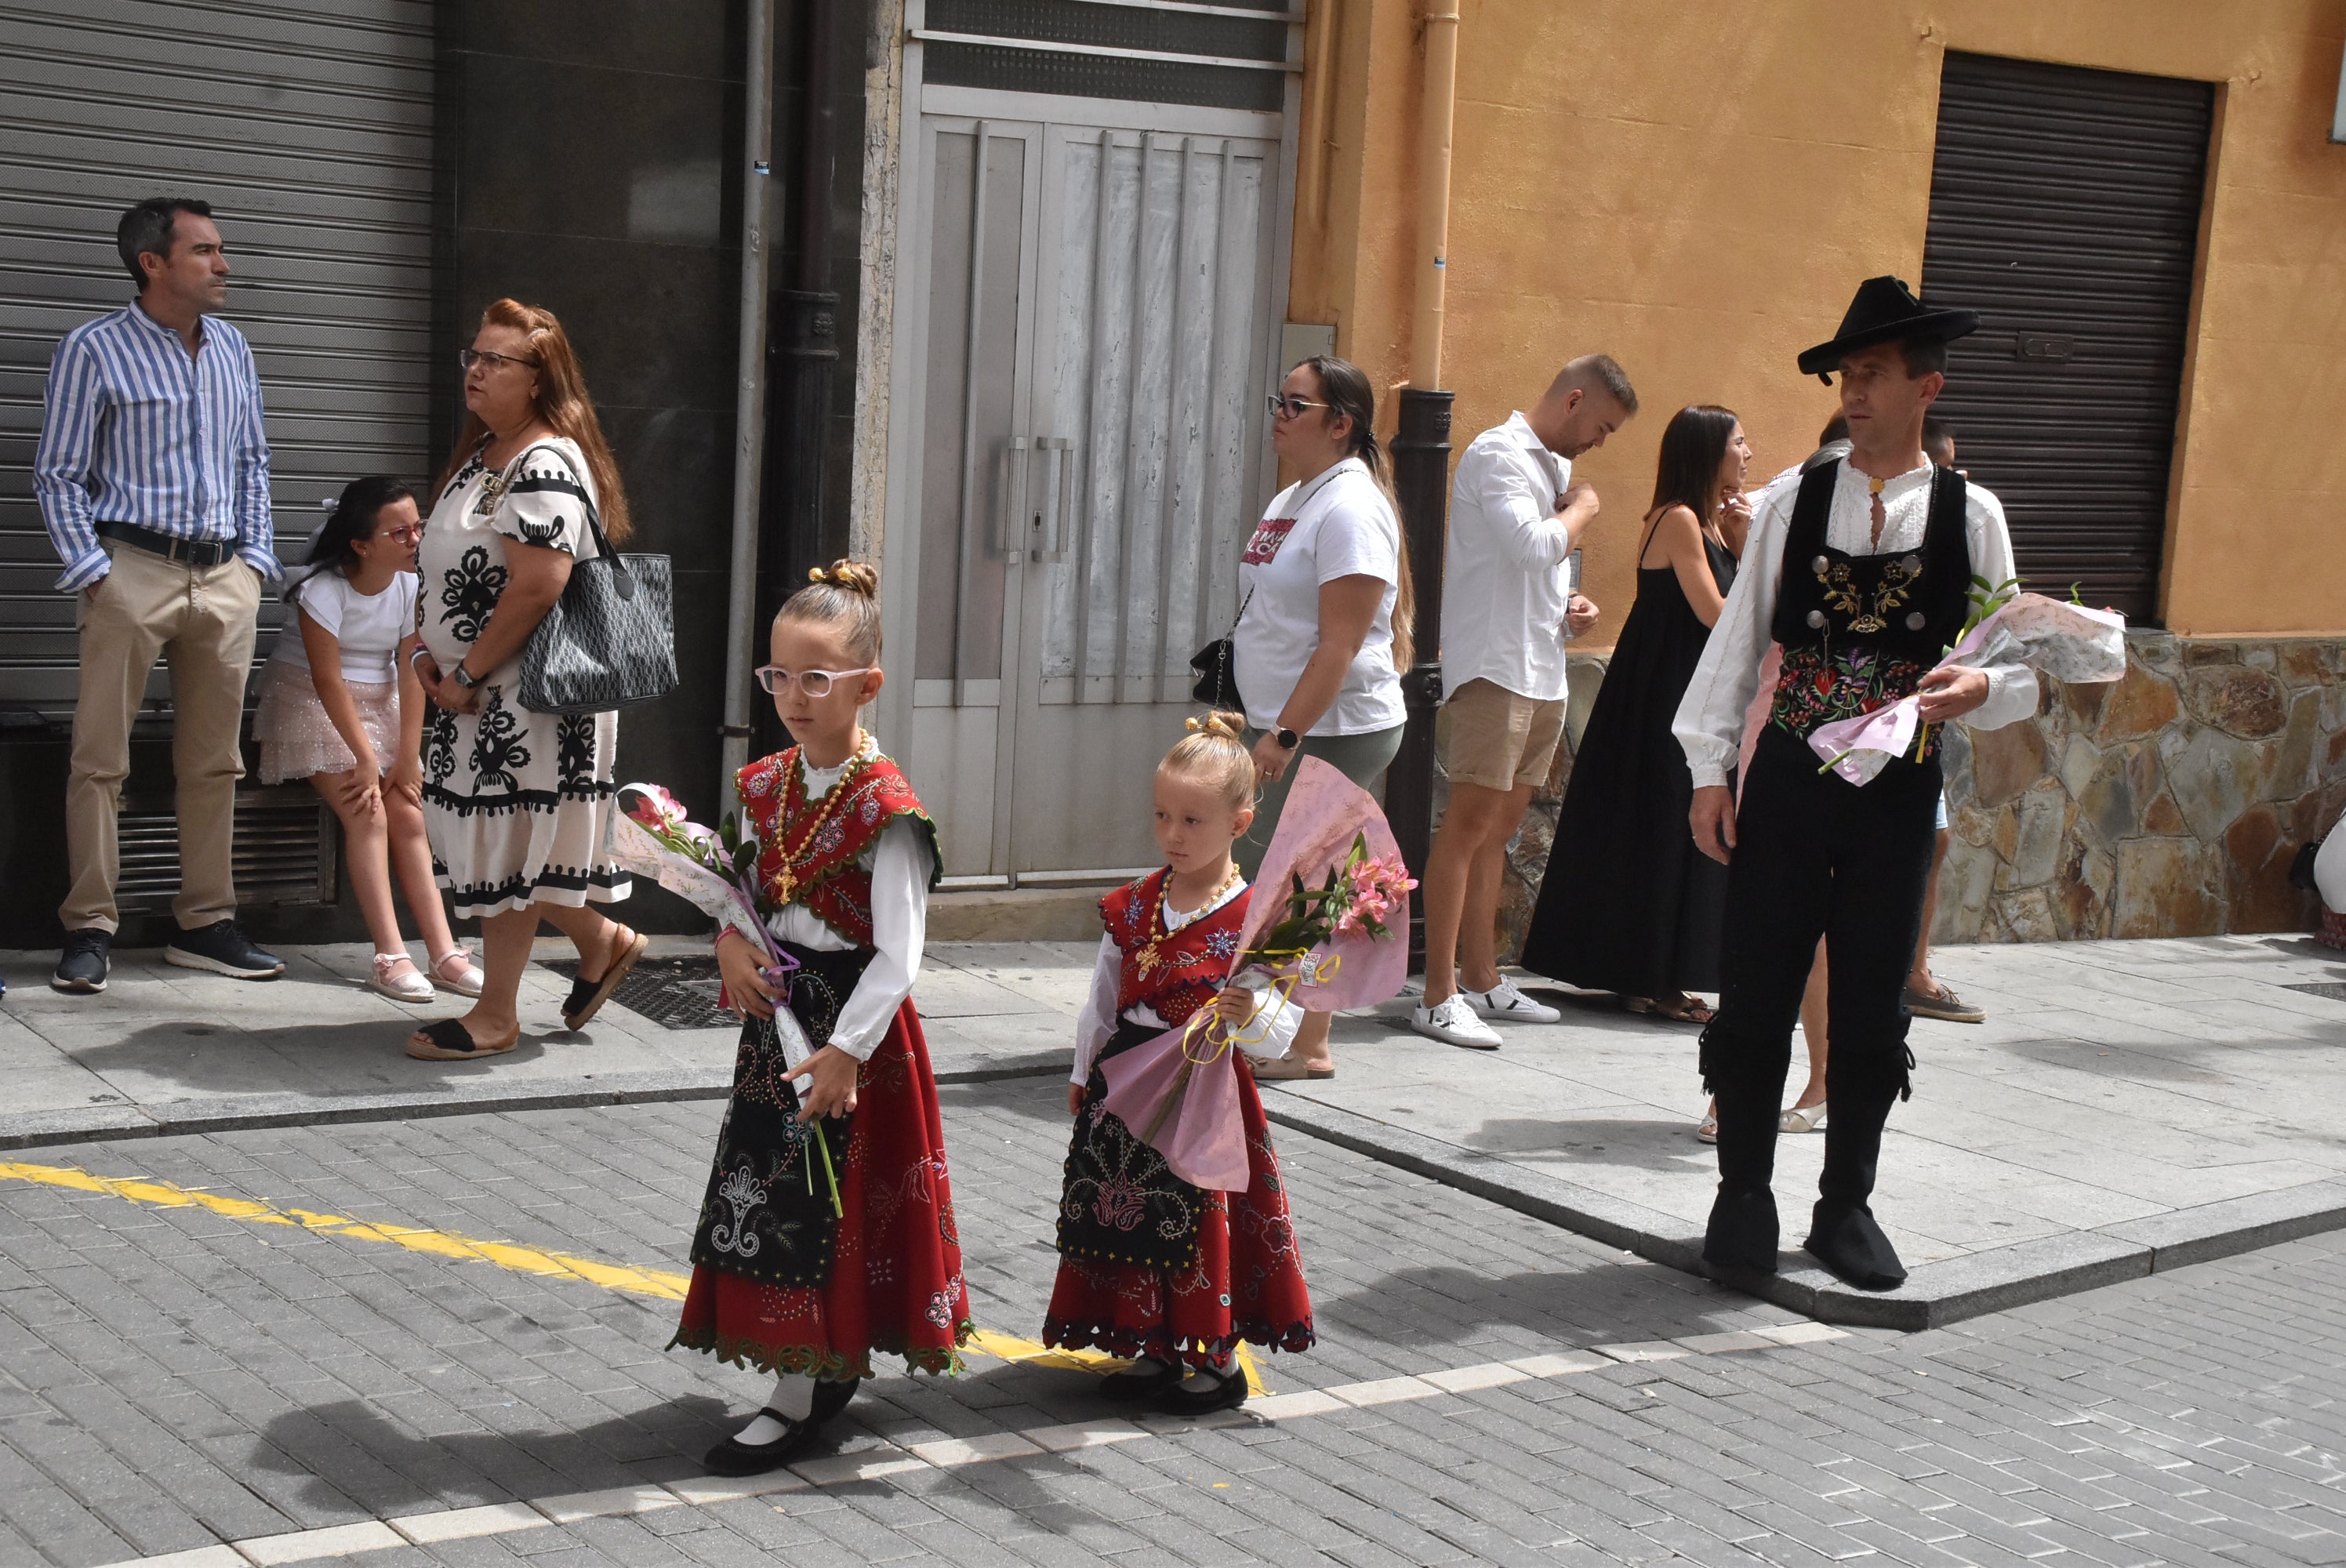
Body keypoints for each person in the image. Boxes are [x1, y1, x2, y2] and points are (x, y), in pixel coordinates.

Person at [1677, 276, 2041, 1290]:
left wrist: (1982, 686)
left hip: (1896, 793)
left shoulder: (1974, 516)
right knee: (1755, 989)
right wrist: (1712, 770)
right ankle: (1742, 1197)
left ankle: (1846, 1208)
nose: (1855, 392)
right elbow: (1740, 642)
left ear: (1928, 384)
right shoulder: (1795, 499)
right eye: (1847, 374)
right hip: (1789, 779)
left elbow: (2014, 668)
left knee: (1876, 1002)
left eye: (1874, 373)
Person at [674, 561, 968, 1476]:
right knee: (768, 1196)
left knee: (826, 1208)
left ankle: (803, 1387)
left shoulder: (889, 812)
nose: (792, 697)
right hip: (778, 1020)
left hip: (854, 1034)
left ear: (866, 685)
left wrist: (845, 1050)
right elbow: (743, 894)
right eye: (778, 676)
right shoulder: (764, 783)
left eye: (816, 678)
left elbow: (900, 953)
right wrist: (729, 941)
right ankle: (809, 1369)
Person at [35, 196, 285, 993]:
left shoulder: (234, 349)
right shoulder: (94, 349)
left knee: (215, 761)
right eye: (207, 251)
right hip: (131, 570)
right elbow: (59, 472)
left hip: (223, 576)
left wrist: (253, 563)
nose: (225, 265)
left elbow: (253, 460)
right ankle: (90, 927)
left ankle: (207, 921)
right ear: (154, 263)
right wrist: (93, 570)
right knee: (99, 760)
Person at [1043, 712, 1313, 1415]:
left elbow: (1281, 1031)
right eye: (1163, 815)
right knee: (1128, 1210)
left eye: (1193, 820)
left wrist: (1246, 1014)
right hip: (1128, 1076)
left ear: (1240, 821)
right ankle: (1150, 1341)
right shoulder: (1135, 904)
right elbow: (1102, 998)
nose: (1173, 834)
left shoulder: (1262, 918)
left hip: (1206, 1087)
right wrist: (1083, 1070)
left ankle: (1214, 1356)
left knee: (1195, 1218)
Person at [406, 299, 645, 1060]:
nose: (475, 369)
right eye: (472, 355)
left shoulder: (542, 460)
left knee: (506, 847)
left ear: (540, 378)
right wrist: (427, 653)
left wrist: (467, 670)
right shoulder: (485, 454)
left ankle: (496, 1013)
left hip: (520, 697)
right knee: (507, 844)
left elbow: (538, 586)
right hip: (472, 690)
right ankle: (603, 940)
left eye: (495, 360)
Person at [1411, 357, 1632, 1050]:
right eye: (1600, 427)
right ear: (1572, 400)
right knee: (1469, 825)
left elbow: (1536, 567)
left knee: (1499, 828)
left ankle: (1481, 977)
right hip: (1494, 668)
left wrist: (1572, 606)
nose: (1599, 443)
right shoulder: (1499, 453)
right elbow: (1534, 544)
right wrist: (1583, 510)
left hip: (1541, 666)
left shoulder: (1551, 469)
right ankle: (1437, 995)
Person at [1518, 405, 1746, 1028]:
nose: (1748, 454)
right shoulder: (1677, 520)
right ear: (1707, 453)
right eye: (1739, 443)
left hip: (1685, 694)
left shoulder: (1711, 523)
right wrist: (1755, 556)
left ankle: (1658, 974)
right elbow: (1717, 615)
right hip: (1662, 697)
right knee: (1661, 828)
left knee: (1671, 830)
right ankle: (1652, 980)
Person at [1230, 355, 1410, 1080]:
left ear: (1342, 425)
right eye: (1280, 397)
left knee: (1281, 879)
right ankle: (1301, 1041)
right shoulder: (1297, 497)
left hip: (1332, 725)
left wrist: (1283, 736)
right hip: (1286, 718)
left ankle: (1268, 1033)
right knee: (1310, 879)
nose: (1279, 412)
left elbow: (1340, 645)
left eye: (1295, 404)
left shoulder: (1352, 508)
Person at [252, 478, 484, 1004]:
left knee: (406, 811)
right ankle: (389, 956)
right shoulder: (322, 589)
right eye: (400, 532)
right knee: (367, 811)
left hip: (381, 699)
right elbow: (327, 678)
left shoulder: (412, 586)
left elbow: (411, 668)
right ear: (361, 544)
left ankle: (445, 953)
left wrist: (408, 756)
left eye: (418, 527)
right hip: (309, 698)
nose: (415, 540)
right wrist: (363, 758)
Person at [1903, 416, 1987, 1026]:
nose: (1961, 477)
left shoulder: (1968, 520)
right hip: (1865, 727)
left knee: (1935, 840)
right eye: (1950, 465)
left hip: (1925, 720)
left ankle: (1914, 969)